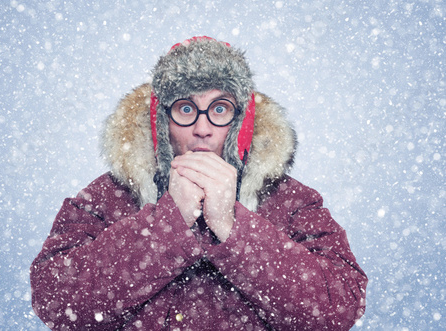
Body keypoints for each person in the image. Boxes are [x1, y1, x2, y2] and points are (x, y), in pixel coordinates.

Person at [30, 36, 367, 330]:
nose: (203, 128)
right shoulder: (108, 196)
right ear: (161, 121)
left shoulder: (290, 201)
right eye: (186, 109)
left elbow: (340, 308)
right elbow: (55, 301)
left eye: (219, 109)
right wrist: (167, 222)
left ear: (241, 122)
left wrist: (233, 227)